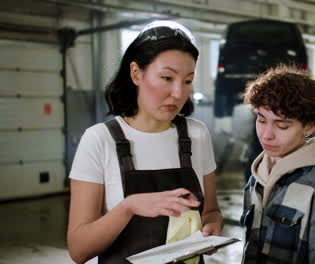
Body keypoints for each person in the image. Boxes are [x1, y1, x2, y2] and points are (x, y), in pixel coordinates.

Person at [67, 21, 223, 264]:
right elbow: (79, 249)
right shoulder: (99, 140)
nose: (179, 93)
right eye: (167, 77)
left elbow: (211, 212)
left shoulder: (197, 135)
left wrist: (211, 228)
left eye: (188, 81)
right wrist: (128, 207)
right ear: (136, 73)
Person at [240, 64, 315, 264]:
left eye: (282, 125)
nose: (266, 135)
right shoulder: (258, 179)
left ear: (309, 127)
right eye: (261, 120)